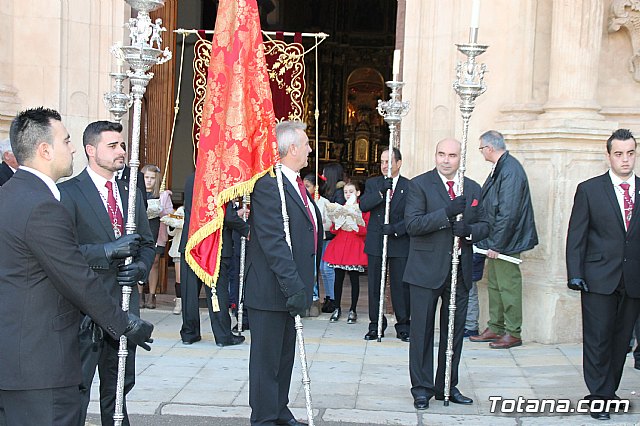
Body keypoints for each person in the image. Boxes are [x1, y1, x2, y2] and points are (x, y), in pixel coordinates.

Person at [0, 107, 153, 426]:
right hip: (41, 364)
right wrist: (125, 324)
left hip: (18, 358)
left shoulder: (10, 194)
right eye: (66, 140)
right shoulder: (44, 204)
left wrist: (139, 266)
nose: (70, 148)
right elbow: (75, 275)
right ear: (45, 150)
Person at [58, 120, 156, 426]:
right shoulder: (68, 193)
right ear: (90, 150)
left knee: (119, 388)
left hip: (124, 305)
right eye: (112, 145)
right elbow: (64, 253)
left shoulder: (131, 193)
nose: (121, 151)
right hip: (83, 307)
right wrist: (108, 250)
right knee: (77, 387)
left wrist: (140, 267)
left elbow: (147, 243)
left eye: (122, 145)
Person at [245, 120, 321, 426]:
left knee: (284, 357)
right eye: (305, 144)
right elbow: (274, 241)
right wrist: (294, 286)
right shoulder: (268, 184)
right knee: (266, 361)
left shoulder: (295, 183)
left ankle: (278, 410)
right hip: (271, 288)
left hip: (292, 287)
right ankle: (263, 417)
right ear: (291, 148)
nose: (310, 149)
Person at [404, 138, 489, 410]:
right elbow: (413, 225)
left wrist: (471, 232)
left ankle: (447, 386)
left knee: (453, 333)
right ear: (435, 155)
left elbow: (487, 224)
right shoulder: (419, 185)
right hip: (425, 271)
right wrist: (446, 214)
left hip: (458, 272)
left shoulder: (472, 187)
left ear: (459, 157)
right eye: (441, 154)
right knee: (422, 332)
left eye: (452, 155)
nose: (446, 160)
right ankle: (421, 388)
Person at [566, 128, 640, 421]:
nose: (625, 159)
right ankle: (599, 396)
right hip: (597, 277)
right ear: (608, 155)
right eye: (619, 153)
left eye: (630, 153)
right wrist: (575, 272)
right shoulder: (590, 189)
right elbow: (576, 236)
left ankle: (608, 391)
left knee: (621, 341)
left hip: (633, 279)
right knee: (597, 339)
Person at [469, 130, 538, 349]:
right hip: (497, 240)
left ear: (489, 148)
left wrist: (496, 244)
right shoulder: (502, 167)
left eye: (481, 149)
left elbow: (508, 212)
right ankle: (496, 327)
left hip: (506, 242)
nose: (481, 153)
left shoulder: (510, 170)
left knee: (508, 285)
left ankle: (513, 332)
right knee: (495, 285)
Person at [179, 173, 246, 347]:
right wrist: (246, 229)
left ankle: (189, 333)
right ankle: (223, 336)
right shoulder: (219, 179)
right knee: (217, 292)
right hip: (215, 245)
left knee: (190, 293)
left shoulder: (192, 178)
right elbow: (228, 217)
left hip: (191, 242)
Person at [360, 147, 411, 341]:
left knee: (400, 286)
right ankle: (375, 324)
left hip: (399, 241)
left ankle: (403, 325)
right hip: (376, 241)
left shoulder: (409, 185)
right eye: (382, 162)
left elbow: (412, 215)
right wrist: (381, 193)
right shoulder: (374, 183)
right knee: (375, 285)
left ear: (398, 163)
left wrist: (396, 228)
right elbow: (363, 205)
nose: (384, 166)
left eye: (389, 162)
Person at [323, 181, 369, 323]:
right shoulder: (341, 208)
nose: (348, 194)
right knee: (338, 279)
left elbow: (367, 229)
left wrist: (355, 226)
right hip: (341, 246)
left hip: (354, 246)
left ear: (358, 193)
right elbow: (333, 230)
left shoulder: (363, 209)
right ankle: (337, 308)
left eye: (351, 191)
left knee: (354, 279)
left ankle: (353, 310)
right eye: (345, 192)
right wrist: (337, 222)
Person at [139, 164, 173, 309]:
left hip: (157, 232)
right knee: (139, 261)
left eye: (152, 178)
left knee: (155, 262)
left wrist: (161, 211)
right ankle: (139, 295)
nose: (149, 181)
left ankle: (152, 295)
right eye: (146, 177)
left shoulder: (163, 195)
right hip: (140, 232)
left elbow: (170, 213)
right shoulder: (137, 193)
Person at [319, 163, 346, 313]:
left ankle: (333, 299)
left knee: (327, 268)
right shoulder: (328, 190)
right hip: (326, 234)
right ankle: (329, 297)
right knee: (324, 269)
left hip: (332, 235)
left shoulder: (339, 193)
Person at [303, 173, 328, 317]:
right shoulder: (301, 199)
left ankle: (313, 299)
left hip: (317, 240)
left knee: (313, 270)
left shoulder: (322, 202)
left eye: (308, 186)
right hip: (303, 240)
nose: (305, 189)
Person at [163, 206, 185, 314]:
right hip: (179, 249)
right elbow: (171, 233)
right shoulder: (181, 211)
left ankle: (189, 303)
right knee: (179, 278)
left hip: (195, 250)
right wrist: (172, 223)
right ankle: (179, 303)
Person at [463, 253, 486, 337]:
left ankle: (470, 327)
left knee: (470, 293)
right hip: (471, 255)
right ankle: (469, 326)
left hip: (473, 254)